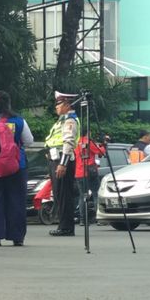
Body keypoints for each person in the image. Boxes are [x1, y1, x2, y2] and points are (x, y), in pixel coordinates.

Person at [0, 91, 34, 246]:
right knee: (16, 201)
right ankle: (17, 237)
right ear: (8, 104)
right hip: (17, 166)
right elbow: (28, 141)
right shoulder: (18, 121)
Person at [45, 91, 80, 237]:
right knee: (59, 194)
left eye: (58, 104)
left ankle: (66, 227)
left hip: (62, 160)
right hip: (56, 160)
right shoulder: (62, 120)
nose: (56, 108)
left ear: (67, 104)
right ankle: (63, 225)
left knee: (64, 194)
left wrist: (63, 164)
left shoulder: (70, 121)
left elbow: (68, 143)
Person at [75, 129, 105, 225]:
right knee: (96, 194)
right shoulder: (89, 142)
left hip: (79, 172)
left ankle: (82, 220)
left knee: (82, 196)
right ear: (88, 133)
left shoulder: (76, 142)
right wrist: (103, 145)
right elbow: (100, 152)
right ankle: (99, 218)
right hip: (90, 171)